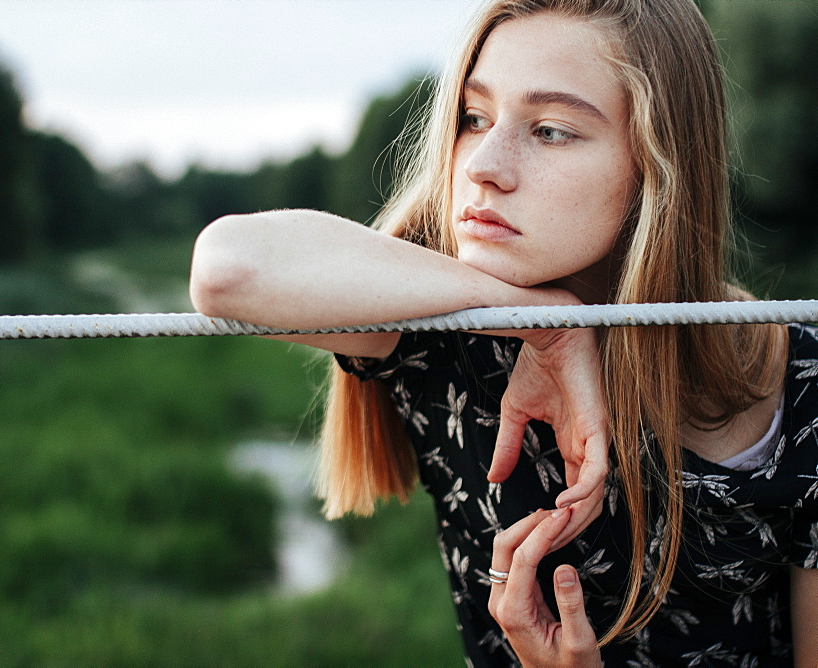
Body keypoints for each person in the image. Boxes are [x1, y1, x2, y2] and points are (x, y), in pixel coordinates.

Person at [189, 0, 818, 664]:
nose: (485, 163)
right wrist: (540, 321)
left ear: (658, 166)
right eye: (473, 117)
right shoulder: (445, 334)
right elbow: (227, 272)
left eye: (549, 130)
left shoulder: (800, 378)